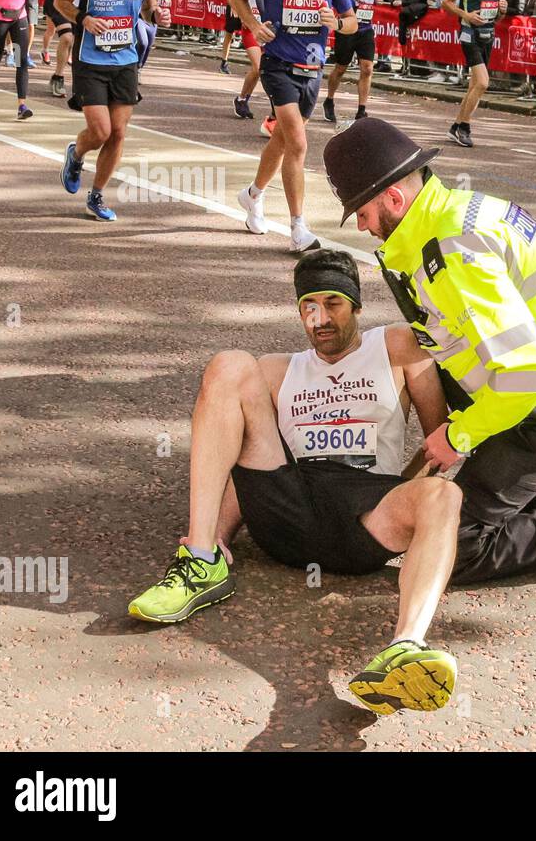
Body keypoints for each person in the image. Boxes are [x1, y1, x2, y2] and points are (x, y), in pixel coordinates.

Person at [328, 117, 536, 584]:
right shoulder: (457, 212)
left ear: (394, 198)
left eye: (361, 213)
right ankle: (524, 499)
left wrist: (457, 436)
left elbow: (525, 374)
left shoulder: (452, 252)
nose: (362, 226)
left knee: (454, 550)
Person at [126, 249, 463, 715]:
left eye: (333, 304)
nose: (320, 319)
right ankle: (201, 560)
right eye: (309, 307)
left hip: (366, 516)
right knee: (230, 363)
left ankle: (405, 646)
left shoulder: (397, 347)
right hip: (289, 505)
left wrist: (405, 501)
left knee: (444, 493)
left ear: (356, 306)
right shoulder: (277, 369)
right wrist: (220, 534)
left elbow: (438, 443)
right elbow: (243, 457)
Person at [227, 0, 356, 252]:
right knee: (298, 144)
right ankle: (298, 227)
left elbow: (352, 22)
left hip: (312, 69)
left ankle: (253, 194)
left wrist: (337, 24)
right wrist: (254, 26)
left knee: (283, 141)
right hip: (277, 66)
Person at [56, 0, 168, 222]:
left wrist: (158, 15)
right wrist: (84, 19)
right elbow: (60, 1)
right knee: (100, 131)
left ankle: (96, 196)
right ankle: (76, 154)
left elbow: (147, 9)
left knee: (118, 133)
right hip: (90, 59)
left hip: (126, 59)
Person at [443, 0, 507, 147]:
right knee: (483, 83)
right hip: (469, 34)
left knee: (475, 85)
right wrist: (466, 15)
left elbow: (497, 17)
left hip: (488, 35)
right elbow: (446, 2)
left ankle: (455, 127)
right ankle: (464, 128)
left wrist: (503, 10)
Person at [323, 0, 381, 124]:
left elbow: (372, 0)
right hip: (348, 27)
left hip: (366, 29)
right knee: (341, 68)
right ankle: (329, 100)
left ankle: (362, 110)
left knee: (368, 68)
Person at [233, 0, 273, 121]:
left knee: (269, 71)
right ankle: (242, 99)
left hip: (271, 33)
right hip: (252, 30)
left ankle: (245, 99)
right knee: (258, 67)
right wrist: (243, 17)